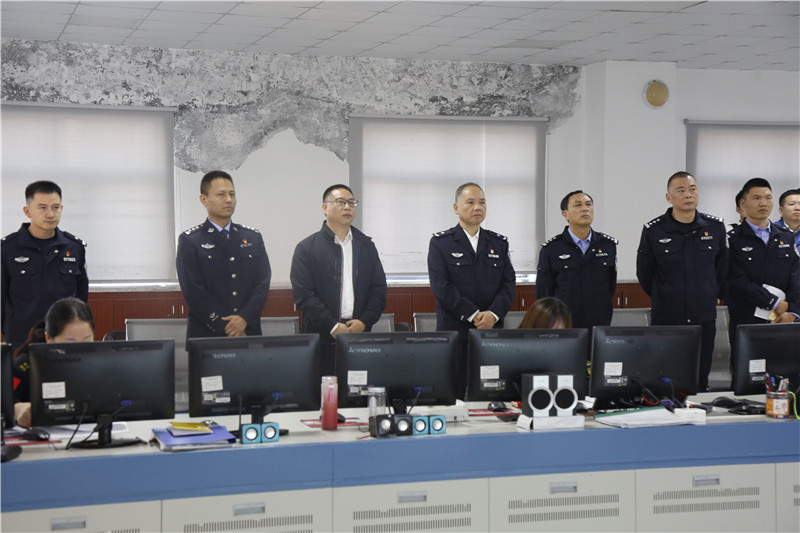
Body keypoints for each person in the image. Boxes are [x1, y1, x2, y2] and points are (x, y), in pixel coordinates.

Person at [636, 171, 728, 391]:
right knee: (665, 378)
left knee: (700, 378)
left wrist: (708, 293)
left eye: (692, 189)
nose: (688, 194)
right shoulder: (654, 230)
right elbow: (645, 273)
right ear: (669, 197)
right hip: (667, 318)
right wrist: (665, 294)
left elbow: (722, 270)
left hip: (703, 318)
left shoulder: (715, 227)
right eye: (681, 190)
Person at [428, 182, 516, 398]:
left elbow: (508, 285)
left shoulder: (498, 243)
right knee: (454, 395)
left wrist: (493, 314)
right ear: (456, 207)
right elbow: (441, 286)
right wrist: (473, 314)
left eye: (482, 203)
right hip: (455, 332)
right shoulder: (441, 243)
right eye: (470, 202)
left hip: (490, 332)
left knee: (491, 393)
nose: (478, 207)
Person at [290, 184, 387, 377]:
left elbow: (378, 290)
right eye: (341, 202)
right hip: (321, 338)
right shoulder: (307, 248)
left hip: (359, 336)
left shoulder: (366, 246)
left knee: (358, 391)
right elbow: (304, 295)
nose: (347, 207)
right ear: (325, 208)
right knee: (324, 392)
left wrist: (364, 321)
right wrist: (332, 326)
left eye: (351, 202)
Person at [176, 170, 271, 340]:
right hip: (207, 335)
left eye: (232, 194)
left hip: (247, 332)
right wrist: (226, 326)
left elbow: (262, 284)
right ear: (204, 199)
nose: (229, 199)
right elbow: (193, 292)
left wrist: (244, 319)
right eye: (221, 194)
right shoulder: (190, 240)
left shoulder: (252, 237)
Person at [1, 181, 88, 351]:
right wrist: (12, 331)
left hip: (65, 339)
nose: (50, 214)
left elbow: (80, 298)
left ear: (61, 208)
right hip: (22, 341)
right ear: (27, 211)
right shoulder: (7, 249)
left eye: (55, 207)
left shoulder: (74, 248)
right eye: (42, 208)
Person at [727, 178, 800, 347]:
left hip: (784, 319)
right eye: (756, 198)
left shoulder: (786, 237)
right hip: (747, 319)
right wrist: (774, 302)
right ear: (743, 203)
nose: (763, 203)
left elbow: (796, 278)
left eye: (768, 198)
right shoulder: (733, 239)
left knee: (783, 362)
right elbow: (737, 280)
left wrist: (793, 312)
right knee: (747, 362)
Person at [535, 190, 617, 329]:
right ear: (565, 214)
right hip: (563, 323)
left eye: (588, 204)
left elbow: (610, 287)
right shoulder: (552, 248)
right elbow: (543, 293)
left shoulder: (607, 245)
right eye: (578, 205)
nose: (585, 208)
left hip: (599, 322)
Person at [13, 297, 95, 428]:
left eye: (86, 342)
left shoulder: (100, 364)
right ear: (49, 338)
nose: (79, 351)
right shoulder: (26, 366)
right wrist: (17, 408)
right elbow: (4, 400)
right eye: (70, 344)